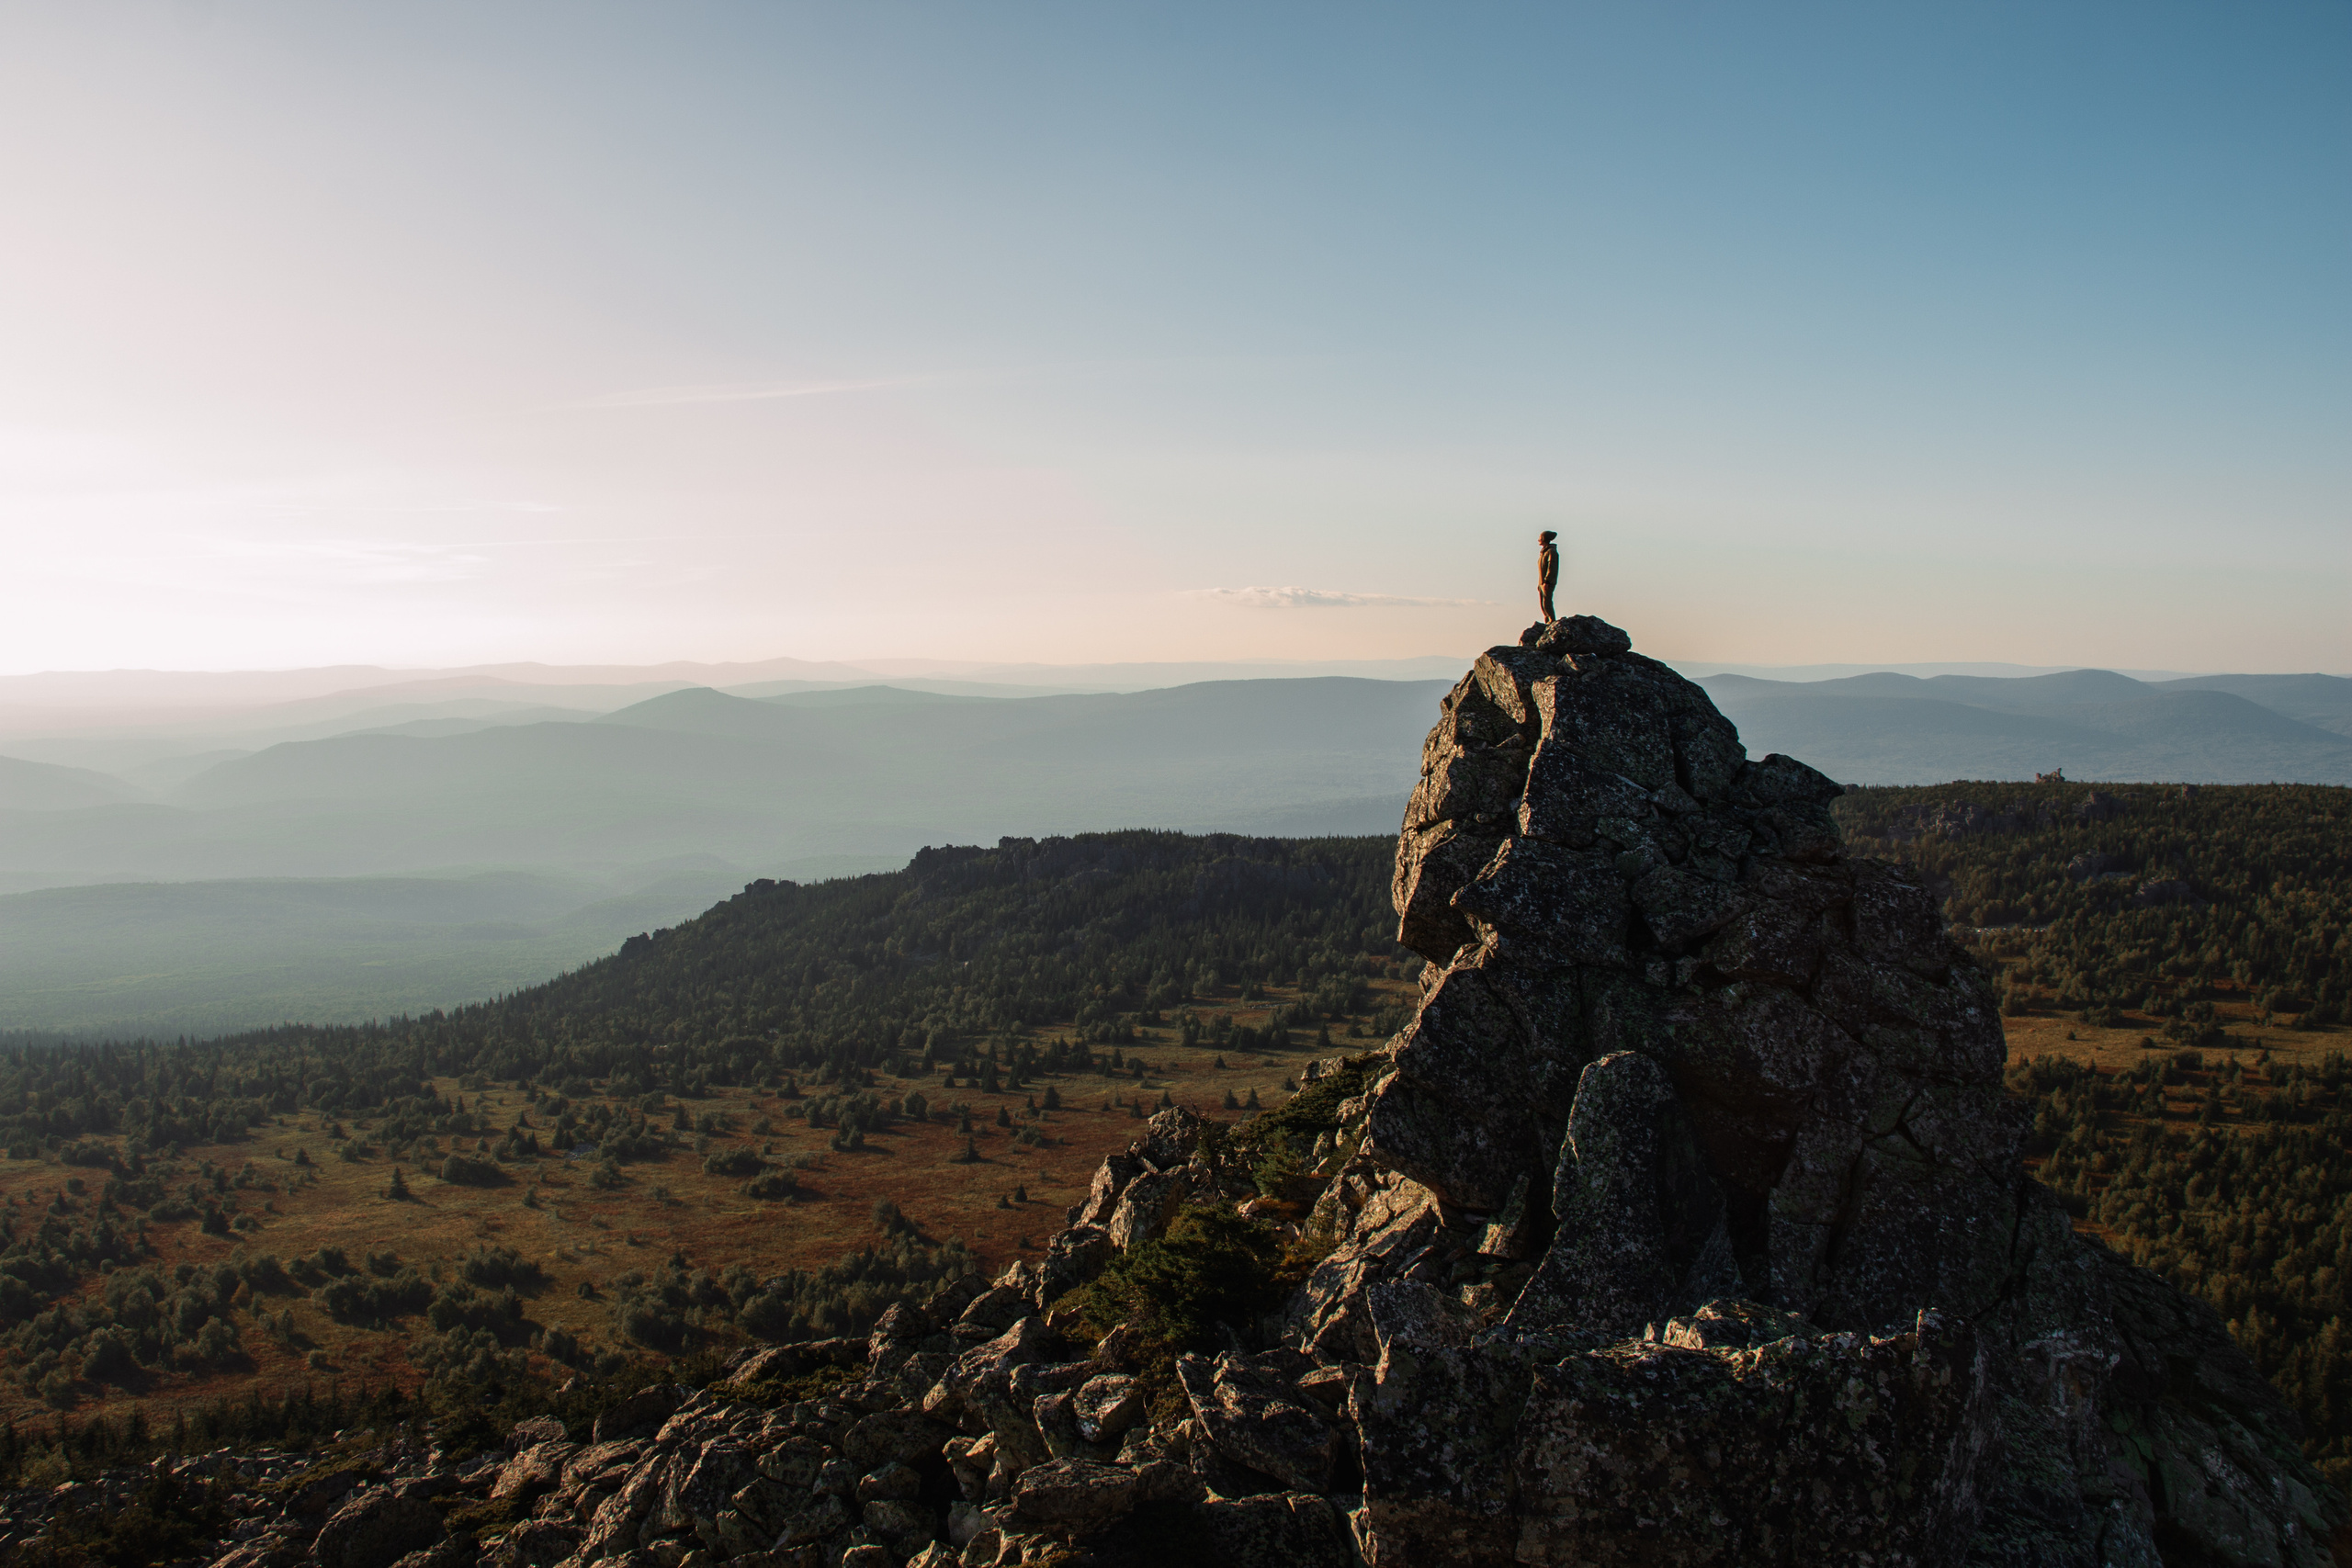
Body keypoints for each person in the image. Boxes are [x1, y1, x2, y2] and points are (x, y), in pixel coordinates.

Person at [1537, 530, 1559, 623]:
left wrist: (1547, 581)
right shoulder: (1544, 553)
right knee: (1543, 604)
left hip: (1547, 583)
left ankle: (1552, 621)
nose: (1538, 540)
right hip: (1542, 583)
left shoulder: (1551, 552)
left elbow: (1552, 567)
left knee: (1547, 603)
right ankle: (1547, 622)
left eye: (1540, 538)